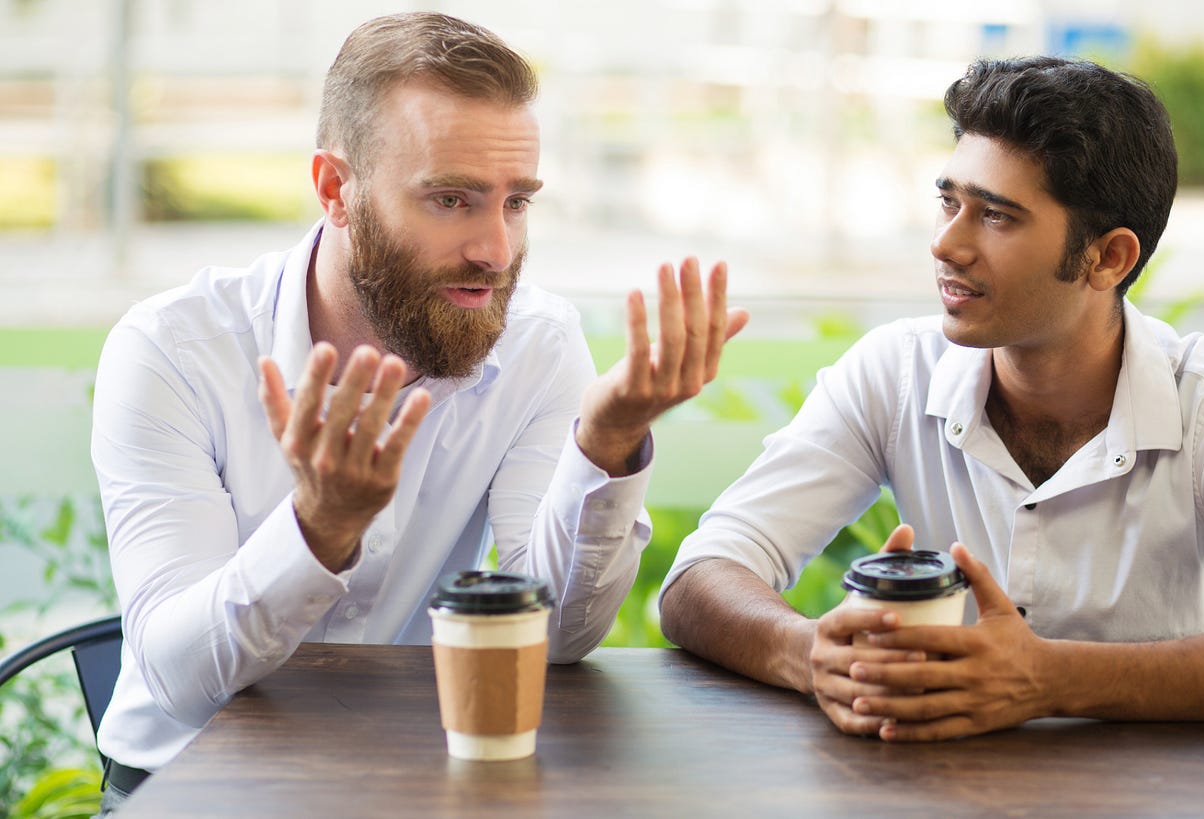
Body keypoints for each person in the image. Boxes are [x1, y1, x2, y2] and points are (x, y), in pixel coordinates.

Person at [90, 11, 748, 810]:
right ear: (336, 189)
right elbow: (179, 679)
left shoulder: (537, 345)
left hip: (419, 785)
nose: (496, 251)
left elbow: (556, 640)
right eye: (451, 200)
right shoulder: (172, 350)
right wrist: (317, 531)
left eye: (516, 203)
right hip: (192, 788)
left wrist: (606, 444)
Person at [658, 56, 1204, 742]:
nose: (947, 244)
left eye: (996, 215)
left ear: (1107, 256)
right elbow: (700, 579)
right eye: (947, 201)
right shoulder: (894, 371)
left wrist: (1047, 677)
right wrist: (807, 651)